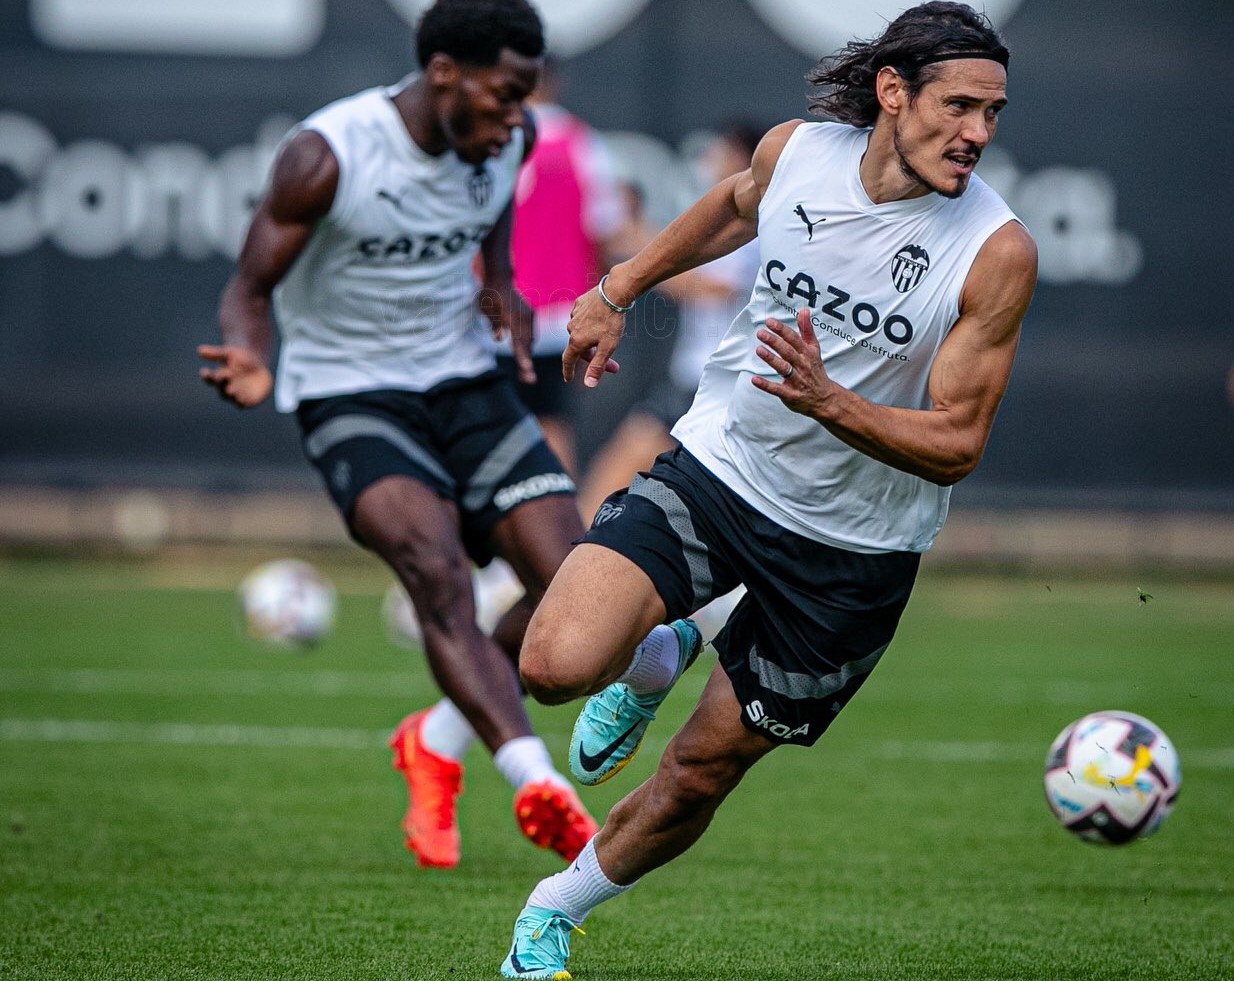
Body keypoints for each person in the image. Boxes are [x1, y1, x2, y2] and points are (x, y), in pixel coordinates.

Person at [499, 2, 1038, 975]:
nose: (977, 133)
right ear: (892, 92)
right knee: (551, 663)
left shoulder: (994, 251)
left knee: (698, 773)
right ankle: (656, 655)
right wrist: (618, 289)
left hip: (855, 553)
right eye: (958, 106)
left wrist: (832, 403)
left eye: (991, 113)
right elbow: (731, 207)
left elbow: (958, 441)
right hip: (724, 469)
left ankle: (553, 910)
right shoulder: (798, 154)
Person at [197, 0, 603, 871]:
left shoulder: (510, 139)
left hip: (466, 386)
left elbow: (494, 247)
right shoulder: (329, 154)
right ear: (444, 73)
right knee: (436, 570)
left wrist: (502, 299)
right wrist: (249, 355)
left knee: (578, 589)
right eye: (503, 95)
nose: (517, 118)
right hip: (351, 397)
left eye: (526, 97)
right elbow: (250, 286)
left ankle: (434, 739)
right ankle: (535, 778)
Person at [494, 56, 625, 477]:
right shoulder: (583, 144)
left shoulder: (493, 138)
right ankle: (560, 512)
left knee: (491, 425)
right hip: (560, 317)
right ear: (554, 83)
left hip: (493, 314)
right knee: (553, 424)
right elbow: (604, 230)